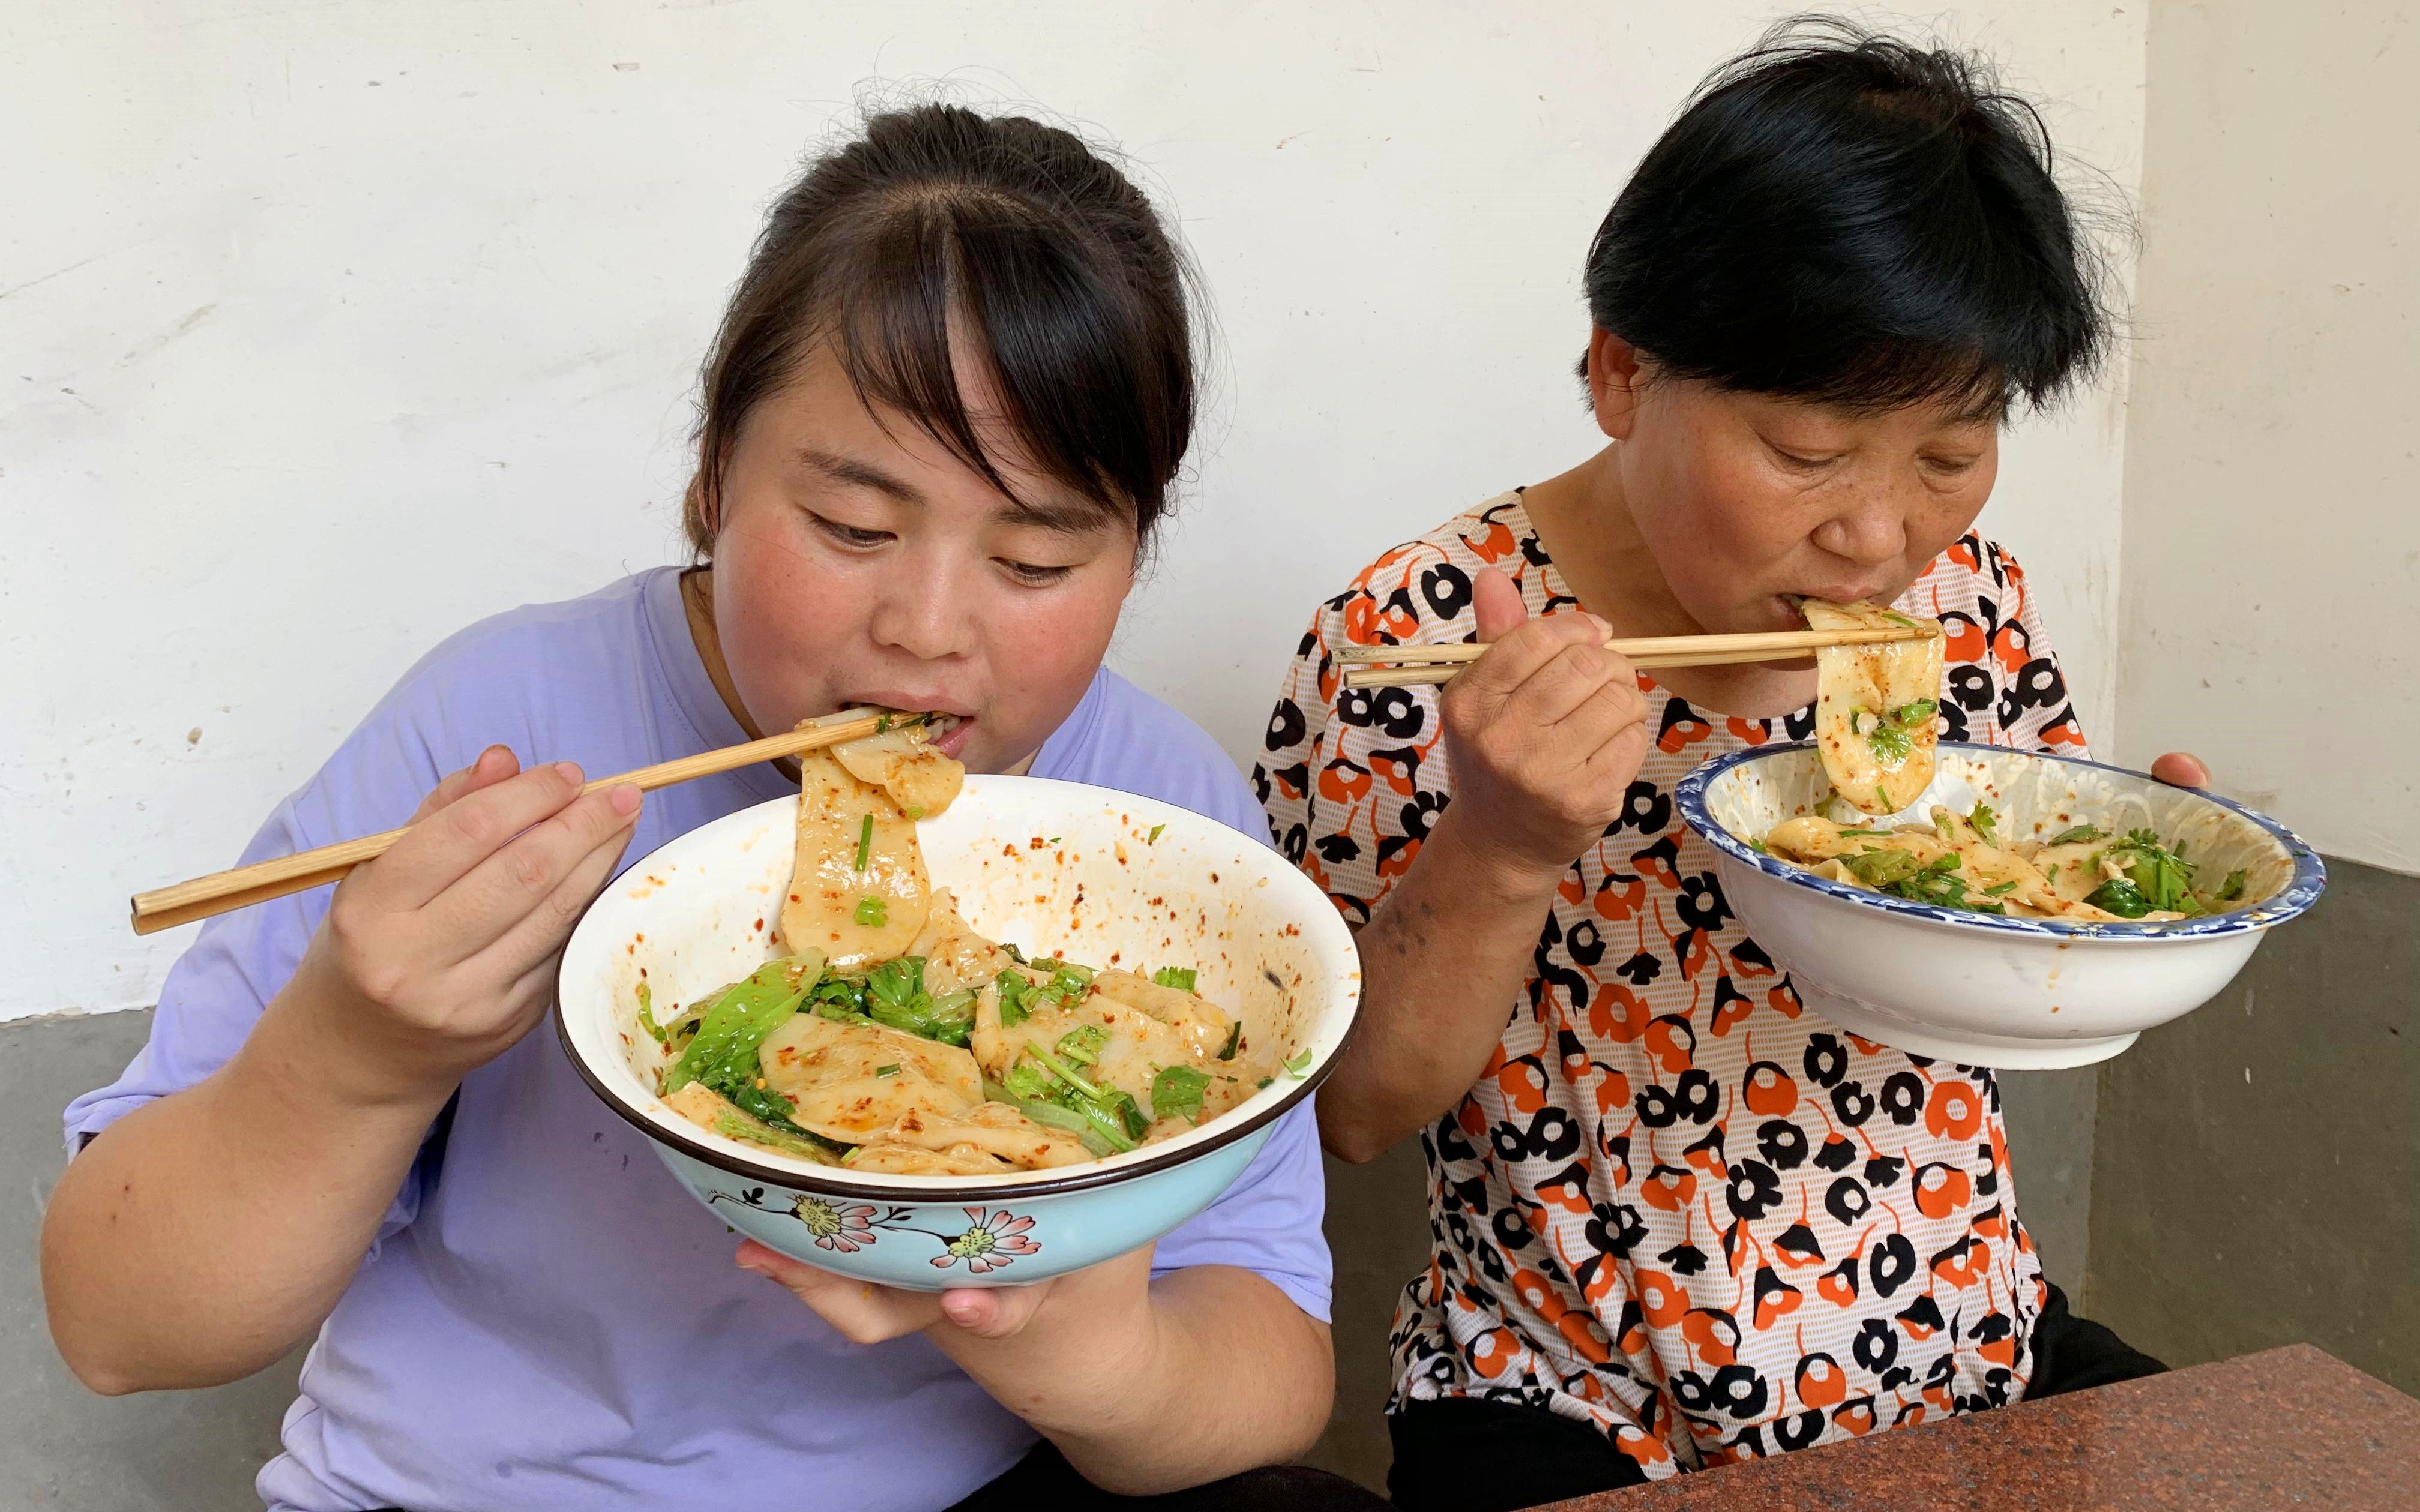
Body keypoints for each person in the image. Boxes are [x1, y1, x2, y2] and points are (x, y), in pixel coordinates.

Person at [44, 104, 1385, 1512]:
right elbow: (115, 1326)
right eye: (854, 530)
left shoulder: (1160, 821)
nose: (931, 630)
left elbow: (1274, 1367)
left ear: (1132, 553)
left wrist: (1077, 1353)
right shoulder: (503, 730)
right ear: (711, 480)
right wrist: (357, 1053)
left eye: (1039, 558)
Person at [1256, 22, 2181, 1512]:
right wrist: (1496, 844)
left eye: (1949, 458)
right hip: (1572, 1403)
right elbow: (1350, 1113)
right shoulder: (1418, 634)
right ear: (1622, 372)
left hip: (1969, 1348)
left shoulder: (1971, 608)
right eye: (1809, 454)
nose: (1879, 539)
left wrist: (2124, 892)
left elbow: (2023, 980)